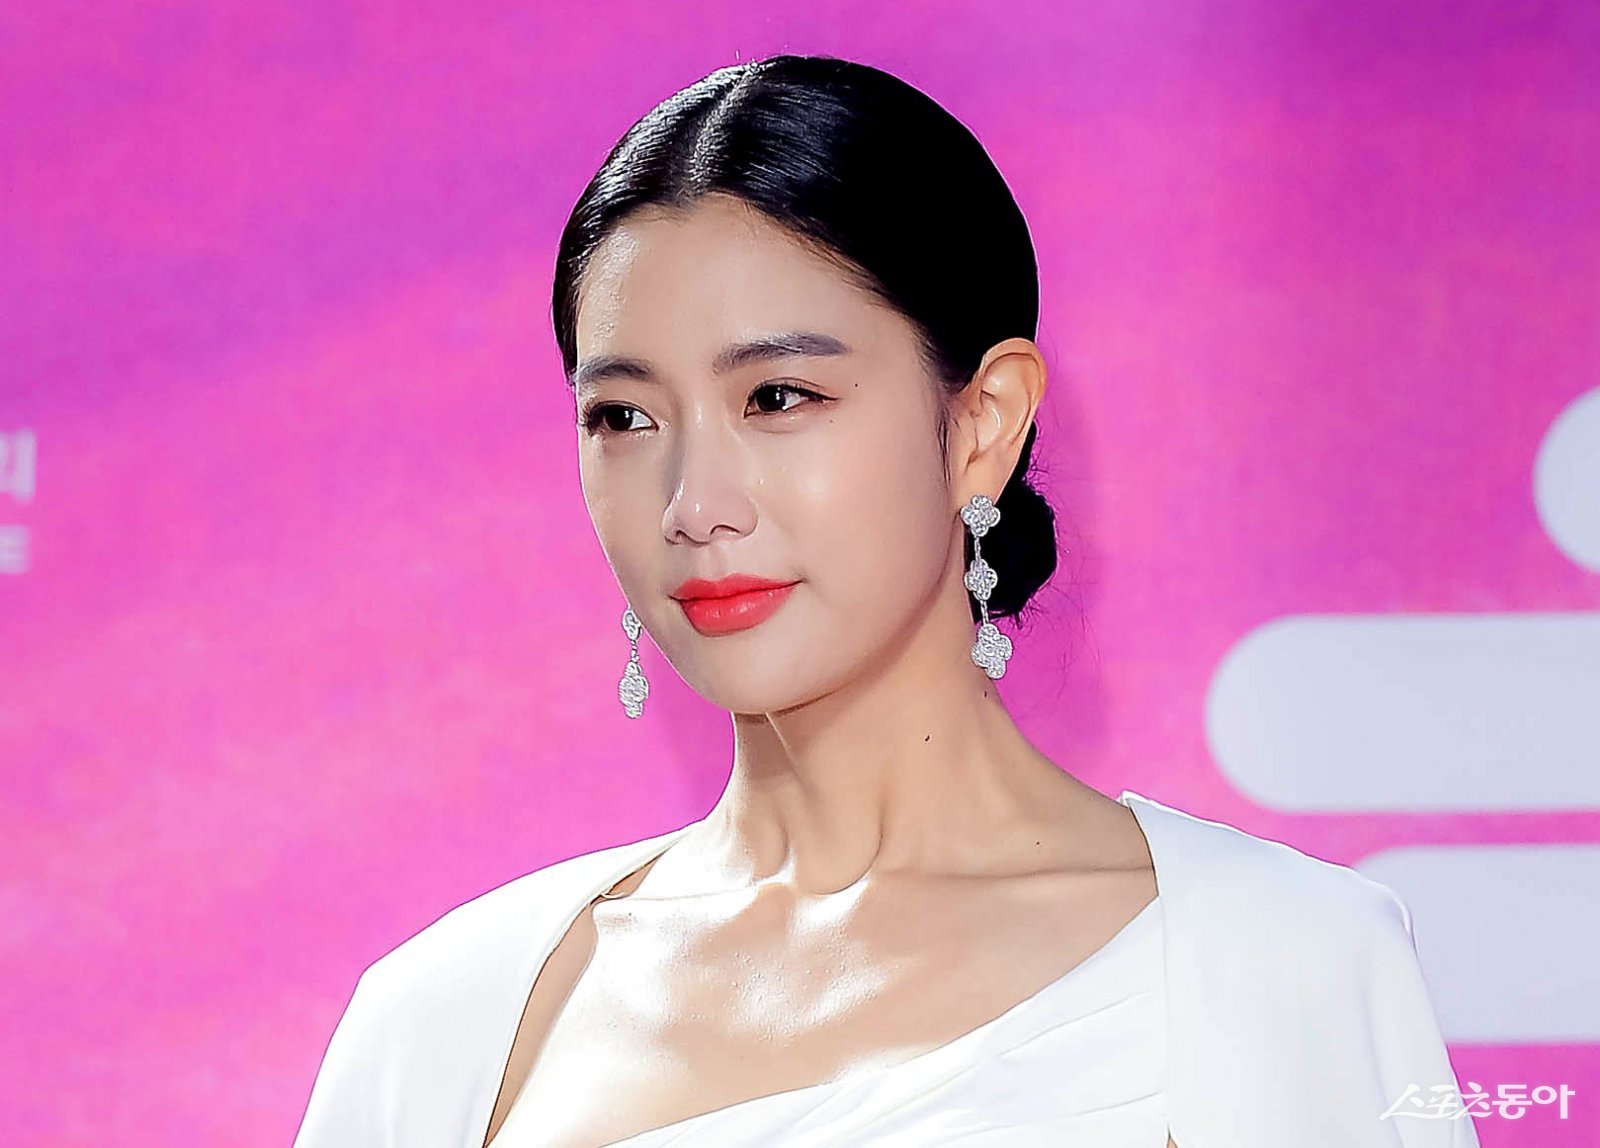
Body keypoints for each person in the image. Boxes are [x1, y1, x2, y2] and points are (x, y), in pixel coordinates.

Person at [293, 55, 1479, 1148]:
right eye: (624, 417)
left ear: (983, 422)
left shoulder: (1273, 961)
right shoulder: (450, 1015)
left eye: (778, 396)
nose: (693, 503)